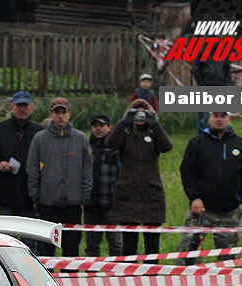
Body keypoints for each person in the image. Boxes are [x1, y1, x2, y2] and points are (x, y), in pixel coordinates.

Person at [177, 111, 242, 264]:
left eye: (223, 116)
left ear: (229, 119)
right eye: (215, 116)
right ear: (209, 118)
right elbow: (186, 172)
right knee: (187, 252)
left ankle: (223, 280)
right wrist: (194, 198)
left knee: (227, 259)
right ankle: (183, 278)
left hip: (230, 211)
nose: (219, 119)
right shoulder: (197, 143)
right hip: (201, 210)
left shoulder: (241, 144)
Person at [104, 99, 173, 257]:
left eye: (144, 114)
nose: (140, 117)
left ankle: (151, 272)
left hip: (152, 195)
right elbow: (109, 143)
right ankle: (129, 272)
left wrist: (155, 124)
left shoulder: (154, 133)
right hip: (128, 195)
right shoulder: (125, 133)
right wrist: (123, 122)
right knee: (129, 246)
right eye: (136, 114)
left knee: (152, 246)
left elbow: (167, 146)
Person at [26, 97, 91, 256]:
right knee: (46, 249)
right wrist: (35, 196)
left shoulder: (80, 138)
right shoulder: (40, 138)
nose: (60, 116)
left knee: (71, 248)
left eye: (63, 112)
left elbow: (87, 170)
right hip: (47, 203)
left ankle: (70, 273)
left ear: (69, 114)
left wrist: (84, 197)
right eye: (57, 112)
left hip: (73, 203)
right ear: (51, 114)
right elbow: (32, 169)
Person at [0, 90, 43, 219]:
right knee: (7, 230)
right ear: (11, 106)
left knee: (29, 231)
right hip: (6, 193)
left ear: (31, 107)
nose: (22, 109)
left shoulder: (40, 132)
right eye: (19, 106)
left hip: (30, 195)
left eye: (25, 106)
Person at [85, 114, 123, 257]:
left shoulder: (117, 147)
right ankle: (92, 271)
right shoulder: (86, 147)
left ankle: (118, 270)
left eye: (101, 125)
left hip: (112, 203)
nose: (98, 128)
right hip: (91, 204)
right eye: (95, 126)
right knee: (92, 245)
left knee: (116, 244)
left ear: (109, 127)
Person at [191, 59, 232, 132]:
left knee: (222, 113)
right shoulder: (201, 53)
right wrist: (201, 83)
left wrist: (226, 81)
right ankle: (203, 134)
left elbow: (227, 68)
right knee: (204, 114)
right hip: (205, 85)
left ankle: (223, 134)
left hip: (221, 85)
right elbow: (195, 68)